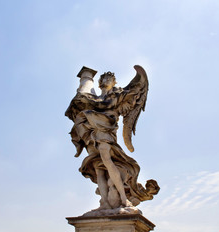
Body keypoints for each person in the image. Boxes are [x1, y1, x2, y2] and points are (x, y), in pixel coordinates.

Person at [65, 69, 159, 210]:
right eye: (103, 78)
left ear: (114, 82)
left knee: (107, 160)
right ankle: (105, 203)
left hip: (106, 130)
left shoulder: (117, 95)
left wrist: (139, 79)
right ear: (99, 82)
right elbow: (80, 102)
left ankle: (123, 199)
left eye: (109, 78)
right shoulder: (94, 99)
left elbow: (111, 104)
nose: (105, 80)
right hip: (92, 133)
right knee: (99, 169)